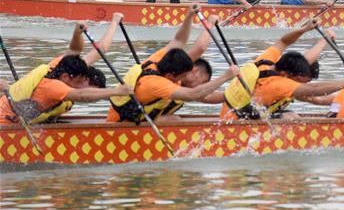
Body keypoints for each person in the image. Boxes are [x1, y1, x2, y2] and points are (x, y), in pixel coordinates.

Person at [106, 10, 239, 123]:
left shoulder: (163, 59)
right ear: (171, 76)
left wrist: (190, 15)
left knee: (174, 117)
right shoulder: (156, 83)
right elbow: (194, 94)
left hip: (140, 116)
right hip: (122, 123)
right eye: (203, 81)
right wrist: (225, 77)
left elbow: (181, 41)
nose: (188, 75)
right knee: (174, 119)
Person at [221, 22, 344, 120]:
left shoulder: (268, 62)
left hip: (233, 111)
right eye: (300, 80)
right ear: (286, 75)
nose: (301, 83)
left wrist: (316, 36)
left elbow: (284, 42)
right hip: (238, 121)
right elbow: (313, 90)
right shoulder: (278, 84)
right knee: (293, 118)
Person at [0, 53, 132, 125]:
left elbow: (99, 50)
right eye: (80, 81)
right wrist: (116, 91)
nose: (94, 95)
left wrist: (114, 23)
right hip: (5, 122)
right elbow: (81, 95)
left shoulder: (62, 67)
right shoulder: (53, 86)